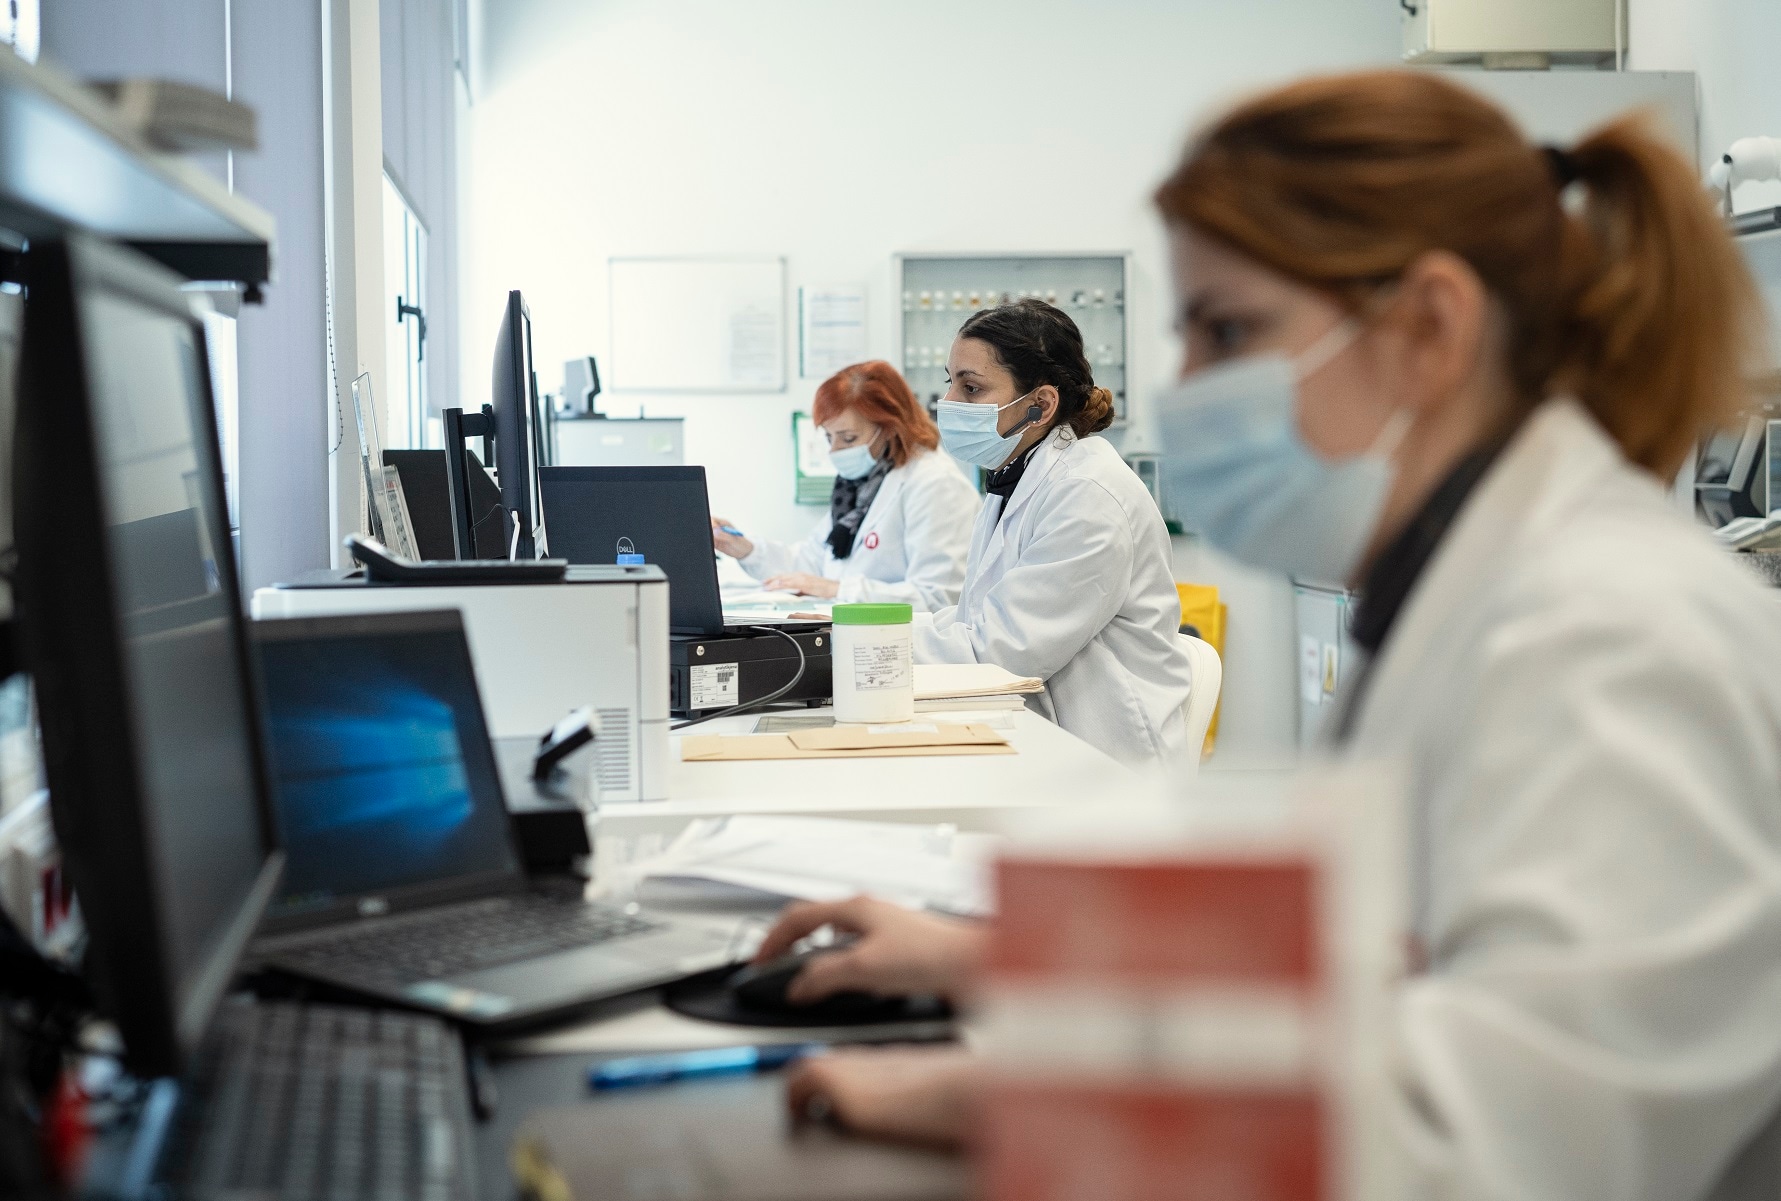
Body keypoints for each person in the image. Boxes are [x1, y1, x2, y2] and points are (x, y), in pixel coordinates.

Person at [766, 71, 1781, 1200]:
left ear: (1430, 328)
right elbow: (1367, 960)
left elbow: (1492, 1144)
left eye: (1228, 329)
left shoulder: (1610, 640)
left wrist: (1007, 1094)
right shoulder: (1461, 585)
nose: (1188, 386)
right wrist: (1001, 959)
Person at [914, 299, 1193, 766]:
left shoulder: (1088, 494)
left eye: (971, 387)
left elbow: (1001, 652)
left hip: (1109, 761)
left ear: (1041, 404)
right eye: (951, 383)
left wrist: (860, 650)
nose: (949, 404)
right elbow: (972, 621)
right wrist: (852, 632)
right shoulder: (1018, 478)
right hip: (1044, 738)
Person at [712, 360, 977, 613]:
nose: (835, 451)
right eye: (829, 438)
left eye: (848, 438)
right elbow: (811, 564)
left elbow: (939, 598)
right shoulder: (858, 490)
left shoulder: (936, 485)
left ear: (890, 428)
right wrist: (746, 549)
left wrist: (838, 590)